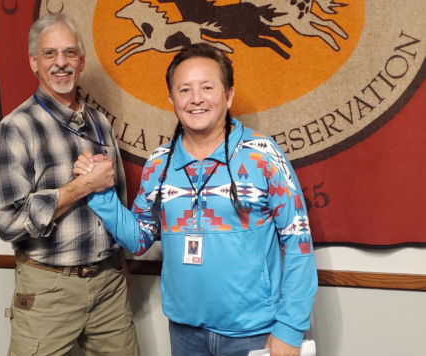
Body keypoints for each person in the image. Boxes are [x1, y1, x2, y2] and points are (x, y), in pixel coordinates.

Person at [74, 43, 317, 356]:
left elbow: (298, 243)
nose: (196, 98)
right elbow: (138, 239)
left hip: (256, 336)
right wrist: (98, 191)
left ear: (228, 95)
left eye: (207, 87)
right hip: (185, 334)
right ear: (172, 99)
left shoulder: (263, 155)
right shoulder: (159, 163)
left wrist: (290, 329)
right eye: (185, 89)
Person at [0, 13, 139, 356]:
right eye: (49, 54)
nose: (61, 63)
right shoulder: (16, 129)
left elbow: (115, 199)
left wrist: (121, 262)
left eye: (70, 53)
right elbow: (7, 221)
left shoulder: (100, 123)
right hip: (48, 289)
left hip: (108, 284)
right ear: (34, 62)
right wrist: (83, 185)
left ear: (82, 61)